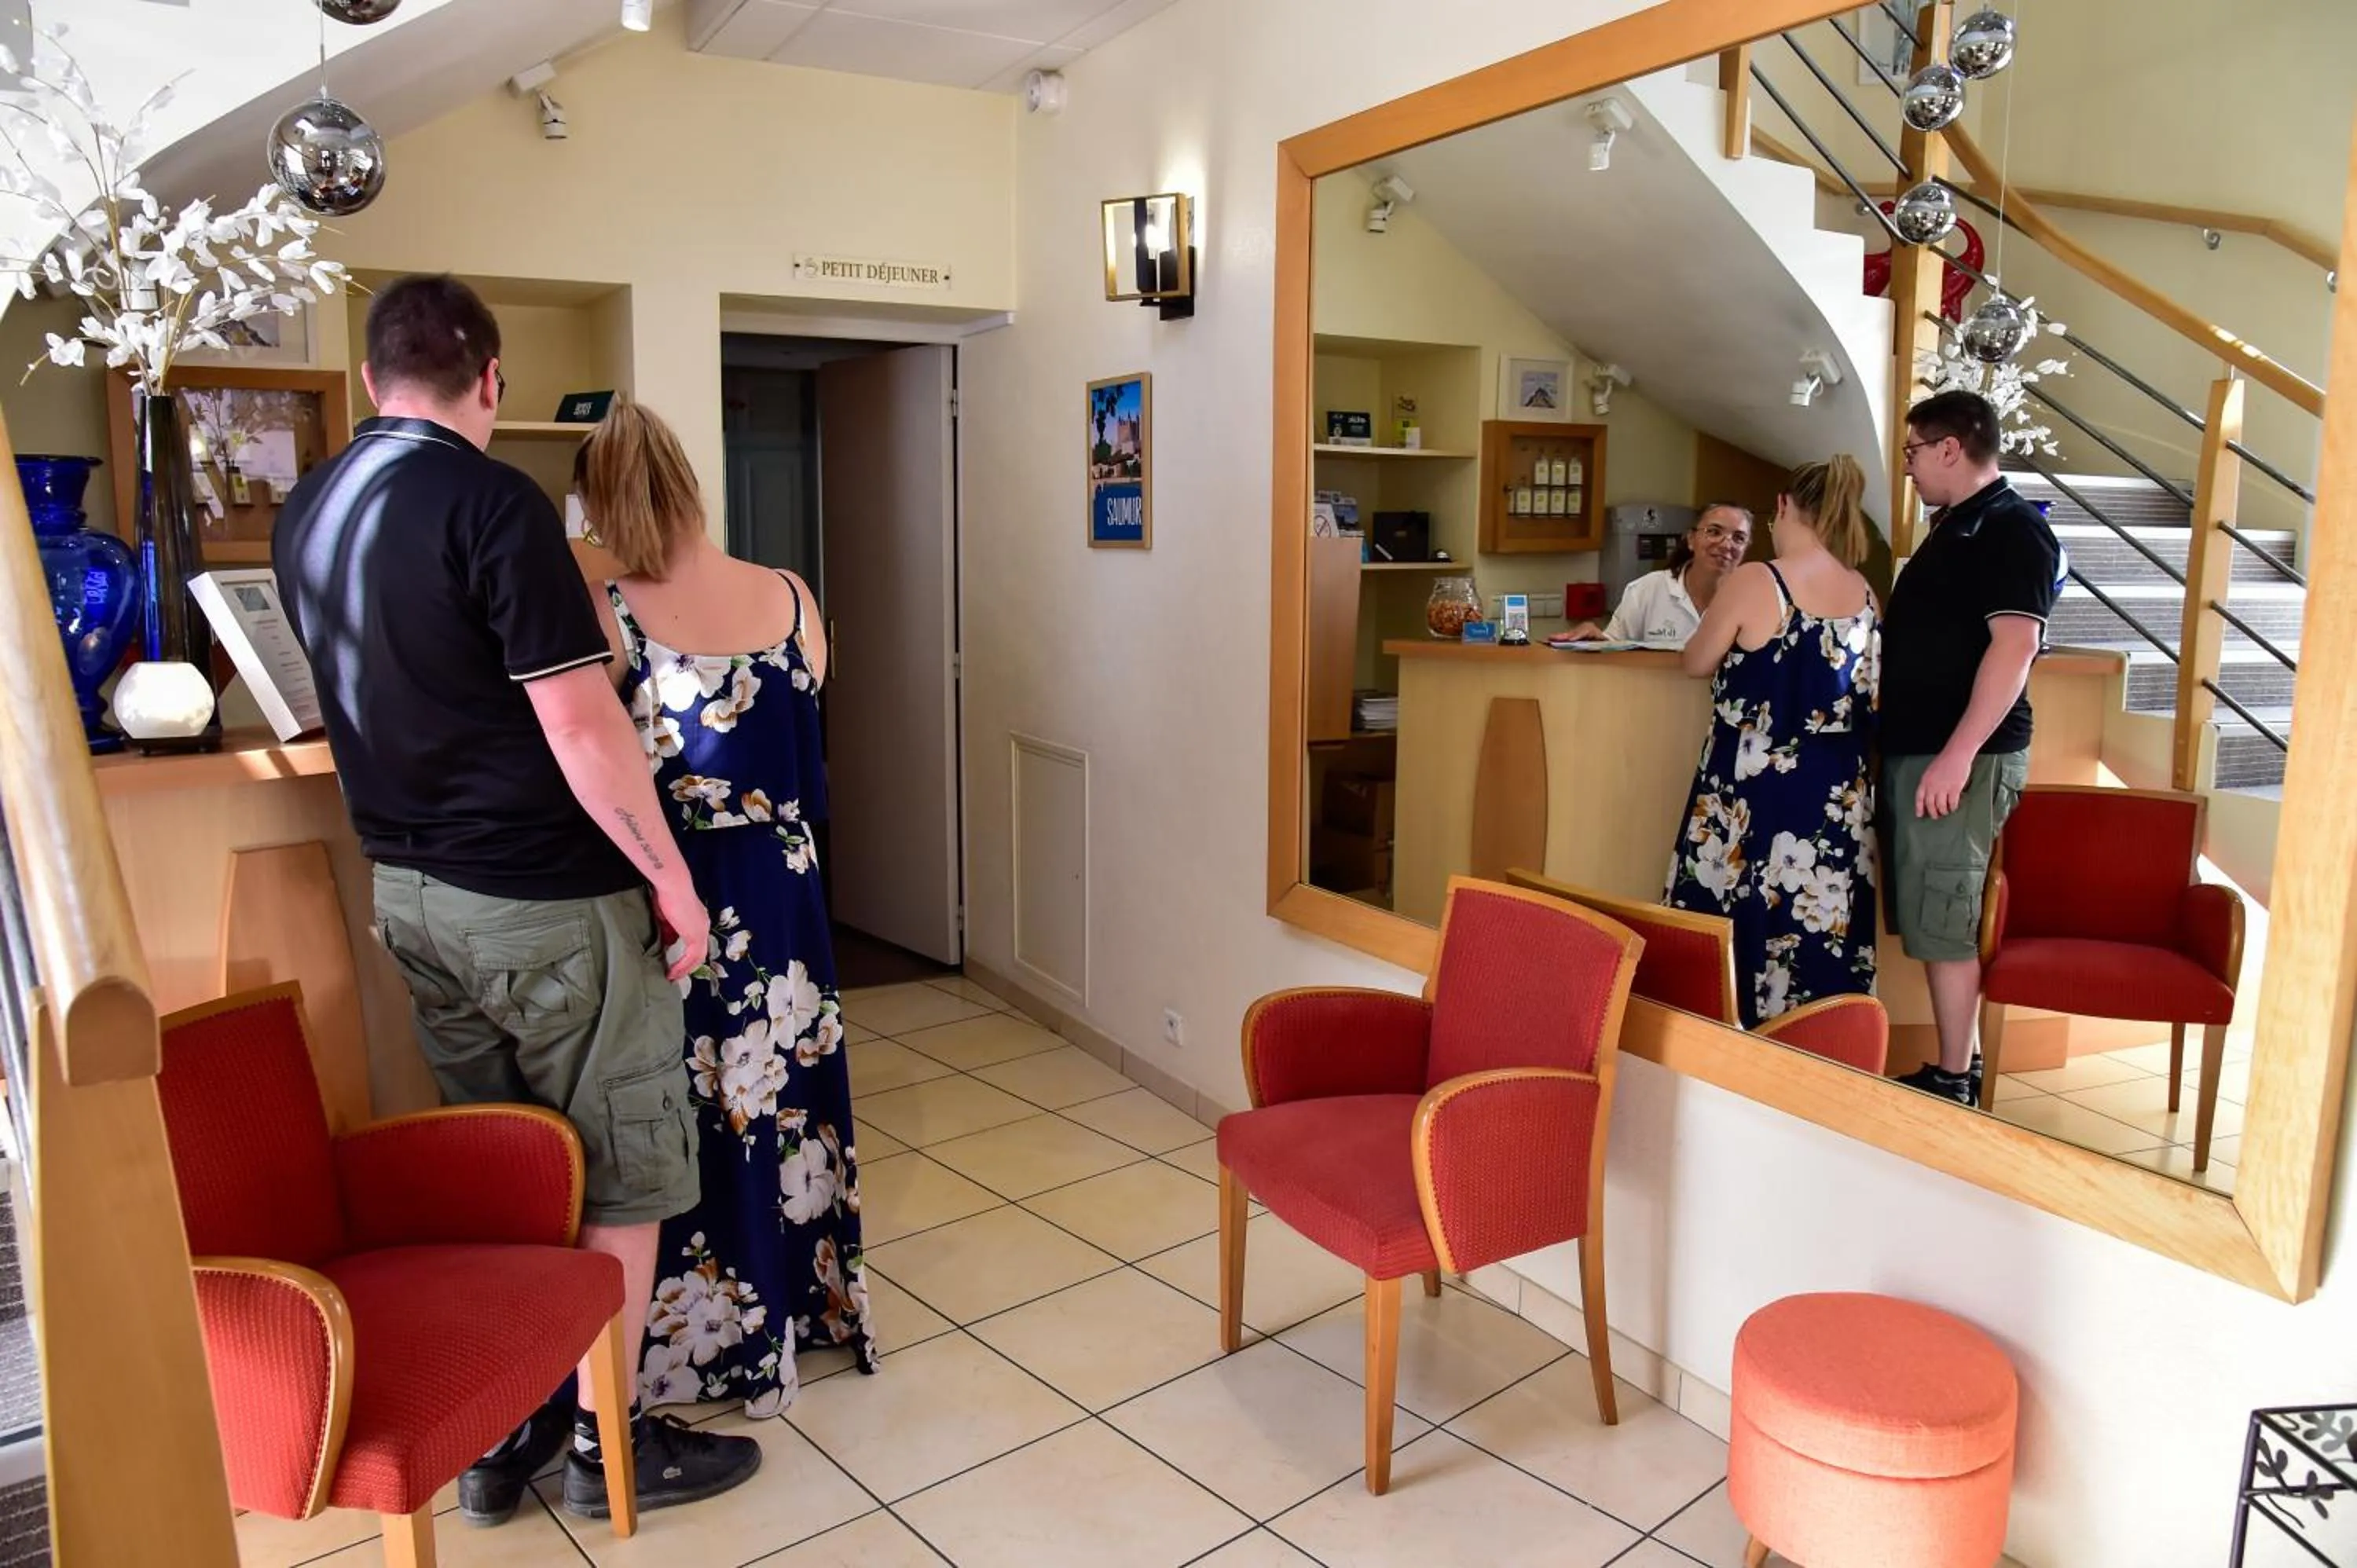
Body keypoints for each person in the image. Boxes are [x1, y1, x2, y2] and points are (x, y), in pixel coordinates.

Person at [272, 275, 761, 1526]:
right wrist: (672, 879)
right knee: (621, 1167)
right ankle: (612, 1441)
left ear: (376, 376)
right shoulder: (494, 503)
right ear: (488, 380)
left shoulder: (311, 506)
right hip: (543, 898)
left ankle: (509, 1426)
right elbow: (582, 728)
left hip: (410, 898)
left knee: (502, 1169)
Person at [574, 400, 874, 1420]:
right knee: (791, 1096)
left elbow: (587, 755)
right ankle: (805, 1312)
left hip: (683, 902)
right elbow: (813, 701)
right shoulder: (790, 594)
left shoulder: (608, 607)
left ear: (598, 505)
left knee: (698, 1116)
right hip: (788, 897)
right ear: (693, 484)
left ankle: (712, 1345)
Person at [1880, 390, 2062, 1106]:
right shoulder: (1958, 525)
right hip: (1926, 747)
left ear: (1951, 447)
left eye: (1914, 452)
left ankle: (1955, 1077)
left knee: (1947, 908)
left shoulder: (2012, 529)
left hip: (1964, 757)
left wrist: (1956, 756)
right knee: (1930, 907)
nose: (1910, 468)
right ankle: (1959, 1065)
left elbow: (2016, 646)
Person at [1665, 456, 1880, 1028]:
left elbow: (1695, 661)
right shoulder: (1864, 591)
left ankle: (1735, 1046)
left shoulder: (1758, 580)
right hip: (1837, 788)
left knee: (1740, 914)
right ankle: (1823, 1046)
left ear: (1783, 506)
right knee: (1819, 926)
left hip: (1755, 785)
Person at [1558, 503, 1754, 646]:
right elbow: (1615, 646)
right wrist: (1595, 639)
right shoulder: (1646, 590)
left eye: (1739, 538)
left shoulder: (1758, 600)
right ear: (1691, 540)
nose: (1726, 544)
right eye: (1714, 531)